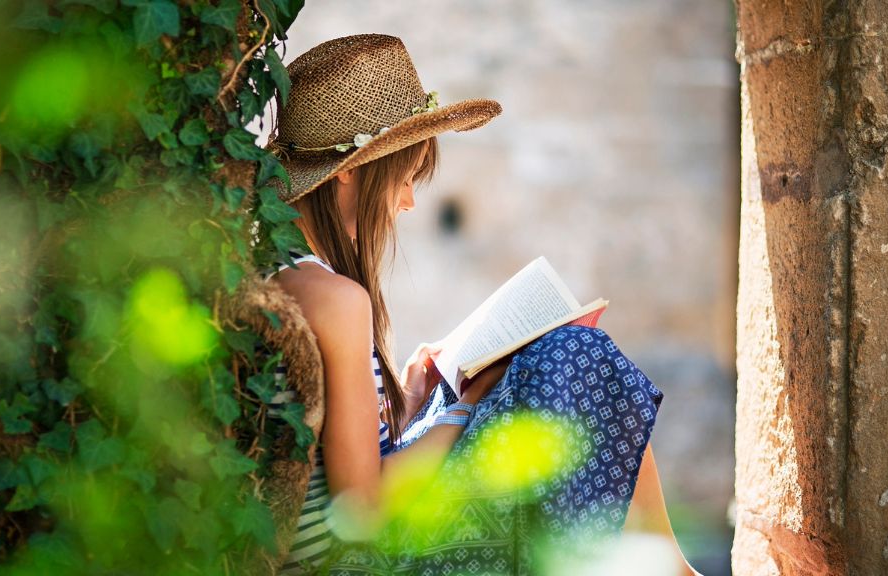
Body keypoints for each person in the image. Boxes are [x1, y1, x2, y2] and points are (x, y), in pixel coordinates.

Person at [264, 34, 698, 575]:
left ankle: (671, 567)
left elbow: (336, 466)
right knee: (572, 356)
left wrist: (411, 398)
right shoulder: (337, 300)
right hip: (354, 565)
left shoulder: (278, 271)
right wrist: (468, 403)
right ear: (350, 169)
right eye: (403, 175)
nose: (408, 200)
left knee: (565, 358)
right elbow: (363, 511)